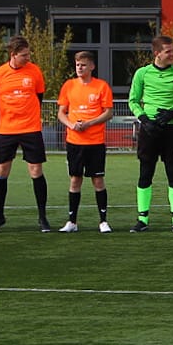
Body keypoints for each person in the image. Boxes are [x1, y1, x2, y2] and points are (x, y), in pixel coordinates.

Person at [127, 34, 173, 232]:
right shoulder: (142, 73)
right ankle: (143, 220)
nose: (172, 54)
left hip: (171, 129)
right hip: (149, 130)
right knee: (146, 172)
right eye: (168, 51)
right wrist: (144, 119)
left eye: (172, 50)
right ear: (157, 53)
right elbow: (133, 100)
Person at [0, 35, 51, 232]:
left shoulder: (35, 72)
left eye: (29, 54)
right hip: (7, 130)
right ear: (13, 55)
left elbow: (38, 97)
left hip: (31, 129)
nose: (28, 58)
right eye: (24, 55)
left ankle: (42, 217)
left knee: (36, 171)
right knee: (2, 172)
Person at [58, 50, 116, 232]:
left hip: (95, 142)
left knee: (98, 180)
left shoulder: (101, 86)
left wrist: (89, 123)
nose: (80, 68)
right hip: (74, 141)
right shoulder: (69, 86)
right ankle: (72, 222)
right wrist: (71, 124)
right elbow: (61, 112)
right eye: (77, 65)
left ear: (92, 66)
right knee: (75, 180)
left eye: (83, 65)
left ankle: (103, 221)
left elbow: (108, 112)